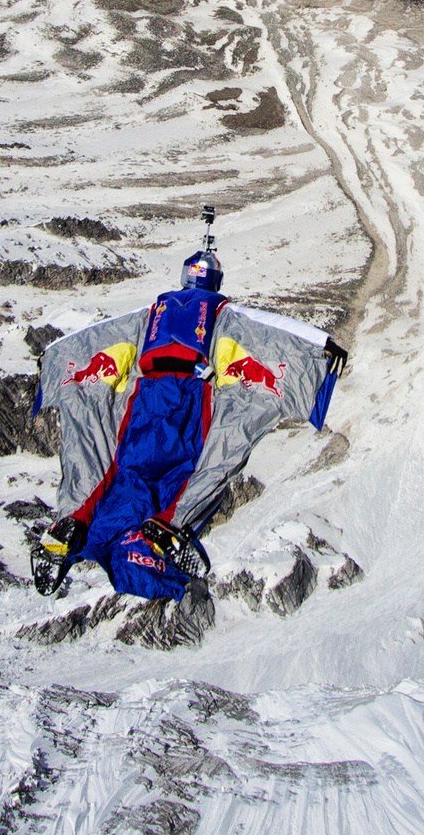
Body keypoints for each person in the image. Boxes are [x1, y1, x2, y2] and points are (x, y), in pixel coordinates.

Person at [30, 233, 345, 600]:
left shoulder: (151, 313)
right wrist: (321, 347)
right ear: (215, 283)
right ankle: (168, 528)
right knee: (193, 471)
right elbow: (266, 329)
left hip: (143, 403)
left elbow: (94, 335)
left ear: (184, 277)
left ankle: (75, 522)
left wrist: (52, 356)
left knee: (118, 475)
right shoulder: (221, 313)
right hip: (191, 403)